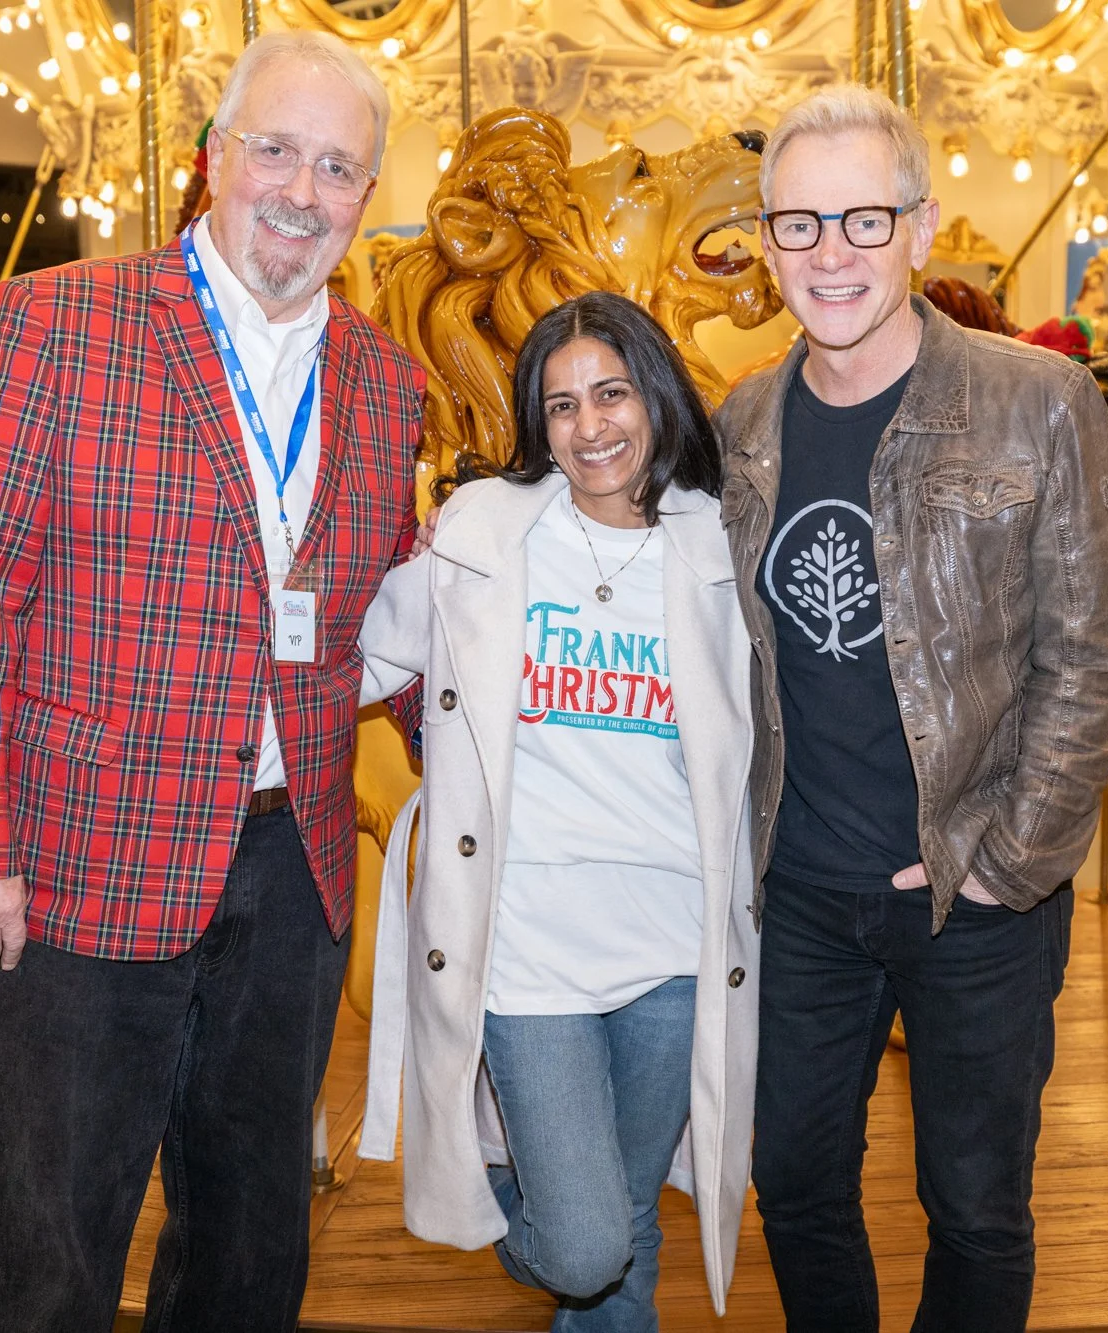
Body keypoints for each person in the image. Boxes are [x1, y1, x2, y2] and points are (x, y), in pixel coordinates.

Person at [0, 31, 425, 1333]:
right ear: (214, 158)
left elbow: (395, 612)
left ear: (367, 198)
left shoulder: (385, 381)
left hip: (289, 876)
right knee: (55, 1251)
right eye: (277, 149)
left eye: (339, 167)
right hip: (73, 875)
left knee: (252, 1250)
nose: (302, 189)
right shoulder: (57, 321)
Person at [715, 86, 1108, 1332]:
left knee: (975, 1207)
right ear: (766, 239)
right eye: (797, 224)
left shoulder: (1038, 405)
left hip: (975, 891)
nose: (828, 253)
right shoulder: (741, 423)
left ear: (919, 227)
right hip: (798, 890)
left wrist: (1010, 860)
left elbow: (1090, 656)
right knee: (789, 1181)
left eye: (860, 218)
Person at [356, 292, 759, 1330]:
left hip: (674, 944)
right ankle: (524, 1215)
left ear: (655, 397)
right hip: (526, 945)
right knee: (584, 1244)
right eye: (561, 404)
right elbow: (354, 656)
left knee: (626, 1217)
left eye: (612, 393)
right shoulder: (484, 536)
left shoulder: (716, 545)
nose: (590, 427)